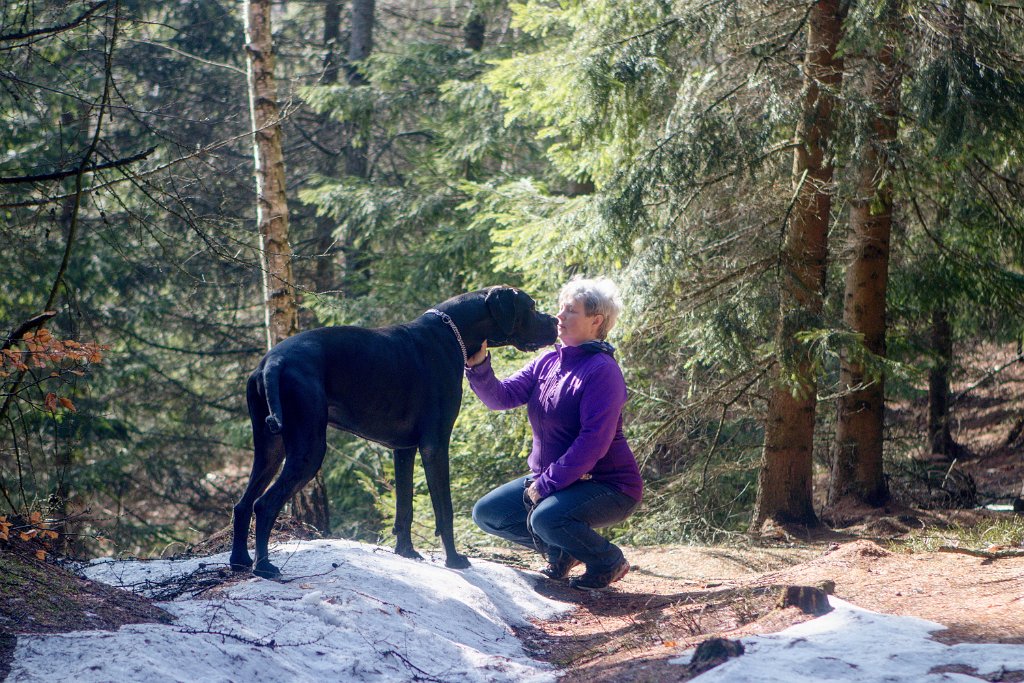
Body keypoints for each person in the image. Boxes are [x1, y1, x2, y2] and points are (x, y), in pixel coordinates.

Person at [466, 276, 642, 589]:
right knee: (488, 513)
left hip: (609, 485)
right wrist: (479, 365)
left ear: (596, 320)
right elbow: (501, 397)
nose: (559, 316)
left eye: (570, 311)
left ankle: (607, 560)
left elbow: (593, 444)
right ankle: (562, 553)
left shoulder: (603, 371)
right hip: (560, 479)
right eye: (561, 309)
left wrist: (546, 484)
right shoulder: (548, 361)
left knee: (545, 518)